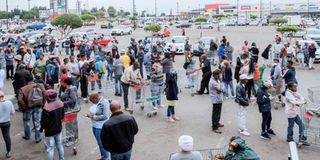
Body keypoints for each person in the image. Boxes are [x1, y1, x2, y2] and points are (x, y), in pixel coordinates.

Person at [18, 74, 45, 143]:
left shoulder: (23, 89)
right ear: (33, 79)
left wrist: (24, 107)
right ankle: (37, 138)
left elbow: (20, 100)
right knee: (37, 122)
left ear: (25, 80)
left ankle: (27, 136)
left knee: (26, 122)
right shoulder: (40, 85)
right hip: (38, 106)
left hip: (28, 107)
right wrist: (43, 104)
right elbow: (44, 95)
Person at [40, 89, 65, 160]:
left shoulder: (46, 108)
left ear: (47, 98)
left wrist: (41, 129)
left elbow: (44, 121)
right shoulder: (61, 103)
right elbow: (62, 116)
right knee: (60, 145)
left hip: (49, 131)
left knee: (50, 149)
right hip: (58, 128)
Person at [86, 93, 111, 160]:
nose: (92, 102)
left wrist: (93, 117)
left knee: (102, 143)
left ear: (96, 98)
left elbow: (105, 116)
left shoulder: (104, 102)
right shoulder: (97, 101)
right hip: (95, 125)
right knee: (99, 143)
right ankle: (103, 156)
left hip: (101, 126)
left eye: (92, 101)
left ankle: (106, 158)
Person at [285, 82, 309, 147]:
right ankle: (289, 138)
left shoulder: (294, 92)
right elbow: (294, 102)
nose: (296, 88)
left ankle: (301, 139)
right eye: (294, 87)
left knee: (302, 125)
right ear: (290, 87)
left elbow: (300, 96)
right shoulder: (288, 94)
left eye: (296, 86)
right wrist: (303, 102)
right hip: (290, 113)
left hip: (295, 112)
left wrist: (302, 100)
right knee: (291, 125)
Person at [0, 91, 15, 158]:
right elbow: (12, 112)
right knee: (7, 137)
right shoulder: (9, 102)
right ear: (3, 96)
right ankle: (8, 152)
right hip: (6, 122)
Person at [209, 69, 225, 134]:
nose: (220, 76)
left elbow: (222, 89)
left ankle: (217, 123)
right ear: (215, 75)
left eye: (220, 75)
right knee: (215, 113)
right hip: (216, 99)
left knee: (218, 112)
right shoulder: (213, 82)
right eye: (218, 75)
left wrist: (221, 89)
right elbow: (222, 89)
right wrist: (221, 83)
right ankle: (214, 127)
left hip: (219, 99)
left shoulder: (216, 80)